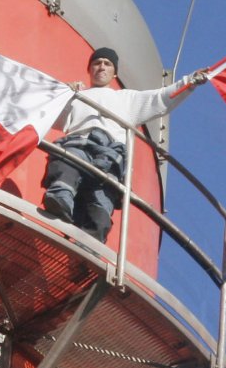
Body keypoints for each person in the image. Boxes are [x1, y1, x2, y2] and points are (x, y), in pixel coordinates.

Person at [41, 47, 208, 242]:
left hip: (109, 156)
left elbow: (161, 98)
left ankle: (89, 245)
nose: (101, 67)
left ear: (115, 73)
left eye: (107, 63)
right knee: (66, 169)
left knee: (100, 205)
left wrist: (190, 82)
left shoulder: (127, 99)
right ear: (89, 69)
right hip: (77, 145)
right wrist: (63, 92)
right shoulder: (75, 97)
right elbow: (44, 110)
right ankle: (61, 199)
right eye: (97, 63)